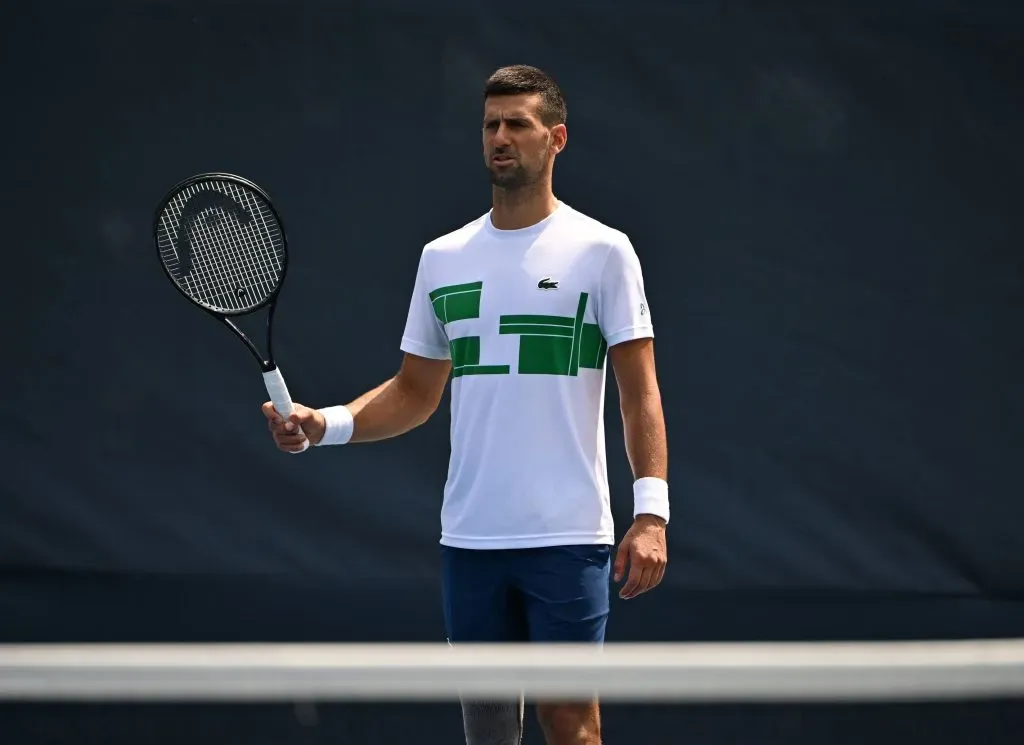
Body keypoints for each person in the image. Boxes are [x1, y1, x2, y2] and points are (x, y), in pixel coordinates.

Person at [263, 64, 669, 745]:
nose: (500, 137)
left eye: (517, 123)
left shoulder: (604, 252)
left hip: (567, 539)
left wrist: (651, 512)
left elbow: (640, 392)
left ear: (556, 138)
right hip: (470, 540)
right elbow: (415, 393)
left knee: (571, 726)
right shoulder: (442, 257)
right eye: (490, 125)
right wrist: (324, 423)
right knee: (486, 731)